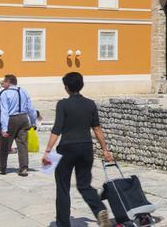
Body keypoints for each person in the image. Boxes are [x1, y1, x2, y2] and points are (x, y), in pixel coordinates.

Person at [42, 72, 114, 227]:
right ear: (81, 85)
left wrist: (48, 151)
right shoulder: (90, 104)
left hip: (66, 148)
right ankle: (99, 209)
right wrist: (105, 150)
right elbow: (97, 129)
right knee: (84, 185)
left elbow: (57, 129)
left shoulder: (63, 104)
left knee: (62, 186)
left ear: (66, 87)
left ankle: (63, 223)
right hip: (86, 148)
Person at [0, 74, 37, 176]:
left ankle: (0, 167)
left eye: (4, 81)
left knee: (4, 145)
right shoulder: (23, 91)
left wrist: (4, 129)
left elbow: (4, 112)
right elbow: (31, 108)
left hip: (11, 119)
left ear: (9, 82)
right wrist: (33, 121)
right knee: (22, 144)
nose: (3, 83)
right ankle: (23, 168)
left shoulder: (5, 94)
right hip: (24, 118)